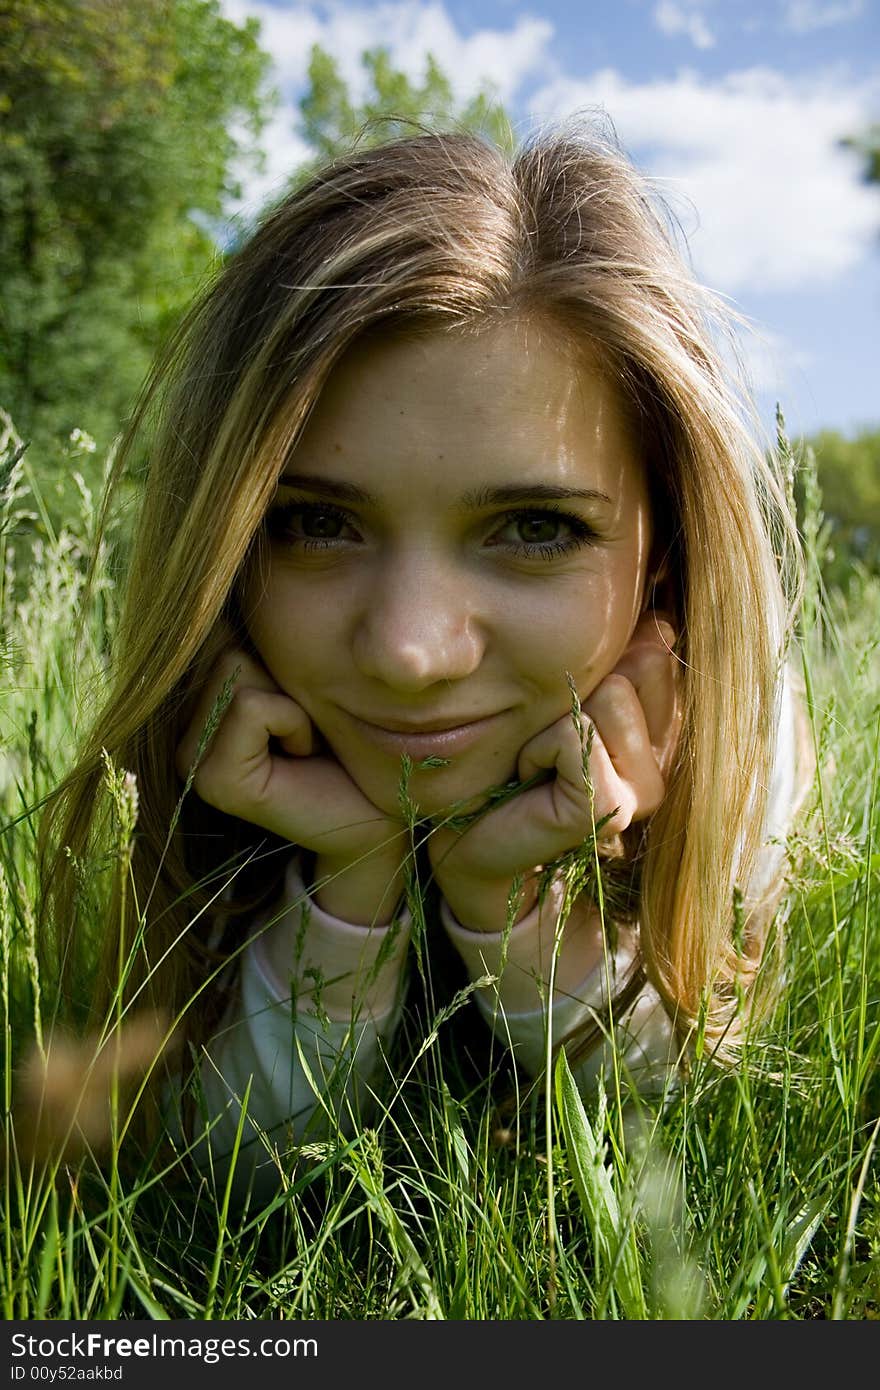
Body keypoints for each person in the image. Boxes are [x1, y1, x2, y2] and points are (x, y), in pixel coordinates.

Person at [37, 122, 813, 1199]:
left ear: (667, 561)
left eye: (534, 529)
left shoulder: (740, 723)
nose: (408, 653)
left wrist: (511, 907)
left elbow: (674, 1143)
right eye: (314, 523)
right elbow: (203, 1180)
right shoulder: (198, 725)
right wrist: (348, 882)